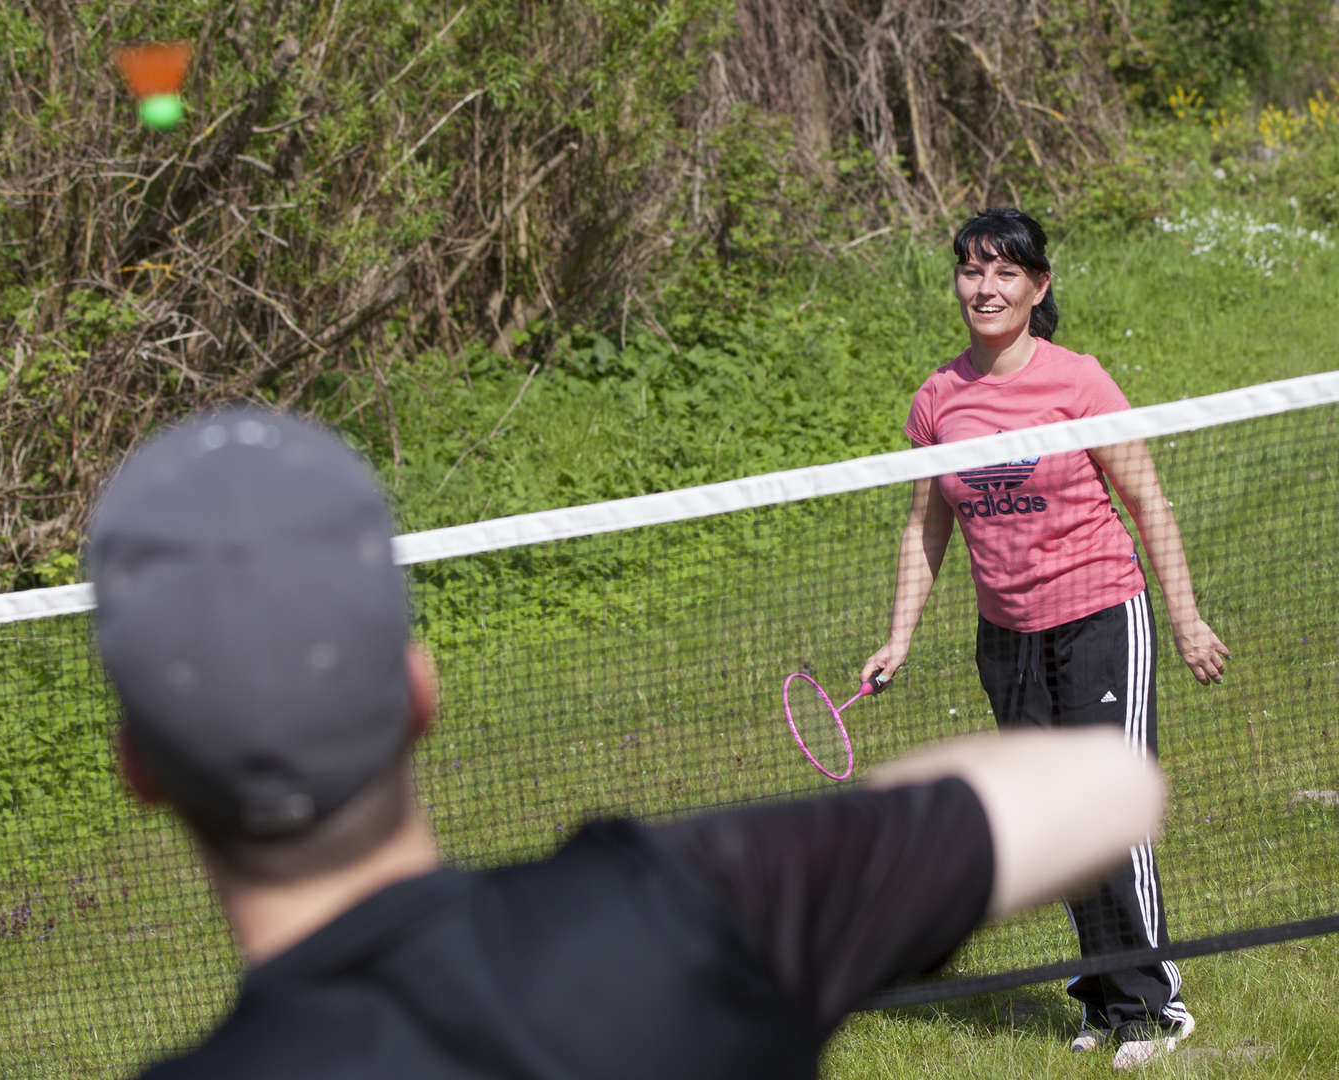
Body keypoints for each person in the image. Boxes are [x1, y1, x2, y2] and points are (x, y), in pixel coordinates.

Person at [88, 406, 1168, 1080]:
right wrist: (855, 844)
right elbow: (1108, 785)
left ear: (140, 767)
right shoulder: (697, 914)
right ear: (421, 691)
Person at [860, 207, 1229, 1070]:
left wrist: (1185, 615)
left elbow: (1149, 502)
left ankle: (1153, 1008)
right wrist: (898, 637)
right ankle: (1101, 997)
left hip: (1102, 612)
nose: (984, 288)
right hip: (1007, 635)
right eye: (970, 271)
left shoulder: (1081, 383)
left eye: (1004, 273)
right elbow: (928, 528)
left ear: (1038, 287)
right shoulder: (937, 402)